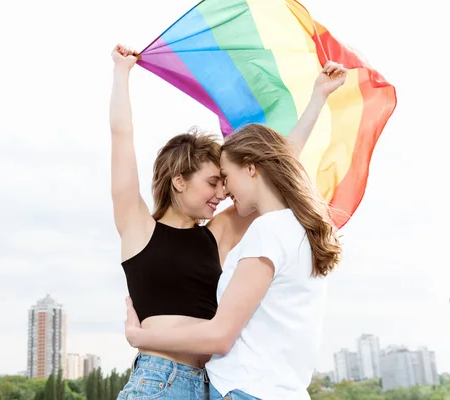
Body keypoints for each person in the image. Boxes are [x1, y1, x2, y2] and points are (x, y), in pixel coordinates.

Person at [110, 43, 346, 400]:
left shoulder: (218, 234)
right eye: (212, 182)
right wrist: (121, 72)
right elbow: (121, 138)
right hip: (159, 382)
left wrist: (318, 98)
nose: (222, 192)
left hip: (214, 385)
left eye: (224, 181)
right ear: (179, 180)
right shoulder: (138, 229)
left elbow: (275, 165)